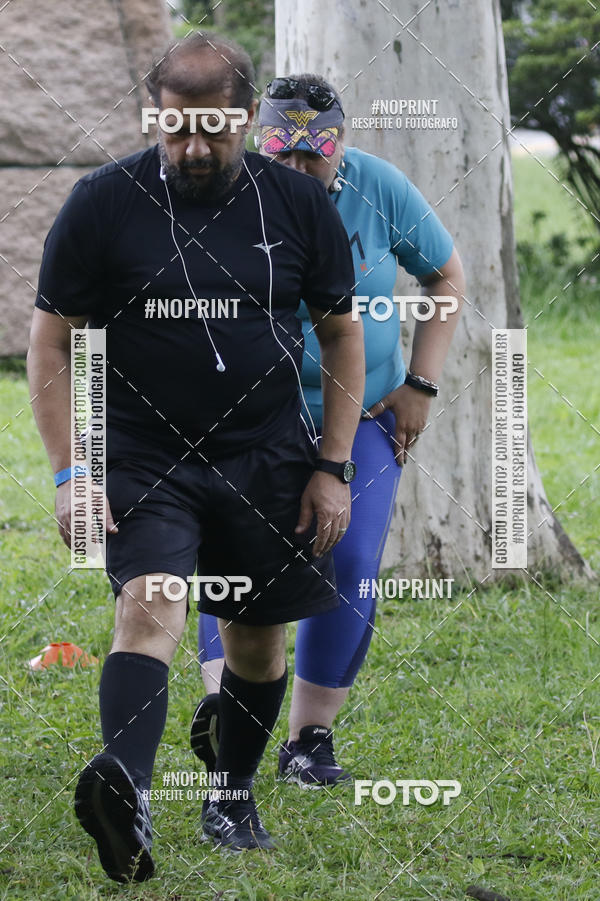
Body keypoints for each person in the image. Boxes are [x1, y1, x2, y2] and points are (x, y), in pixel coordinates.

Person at [27, 38, 364, 880]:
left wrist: (334, 464)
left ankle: (231, 791)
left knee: (255, 643)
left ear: (249, 119)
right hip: (143, 455)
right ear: (156, 117)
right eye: (175, 130)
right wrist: (74, 472)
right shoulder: (102, 204)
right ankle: (130, 795)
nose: (194, 149)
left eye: (213, 130)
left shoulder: (296, 204)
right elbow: (49, 344)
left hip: (267, 455)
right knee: (150, 604)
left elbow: (340, 332)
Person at [193, 74, 465, 788]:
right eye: (281, 150)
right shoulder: (223, 193)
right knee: (236, 558)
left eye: (316, 151)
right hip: (250, 417)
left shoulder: (380, 188)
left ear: (341, 144)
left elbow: (445, 277)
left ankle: (309, 738)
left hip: (366, 411)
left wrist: (421, 384)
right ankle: (229, 713)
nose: (298, 168)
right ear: (257, 142)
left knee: (346, 562)